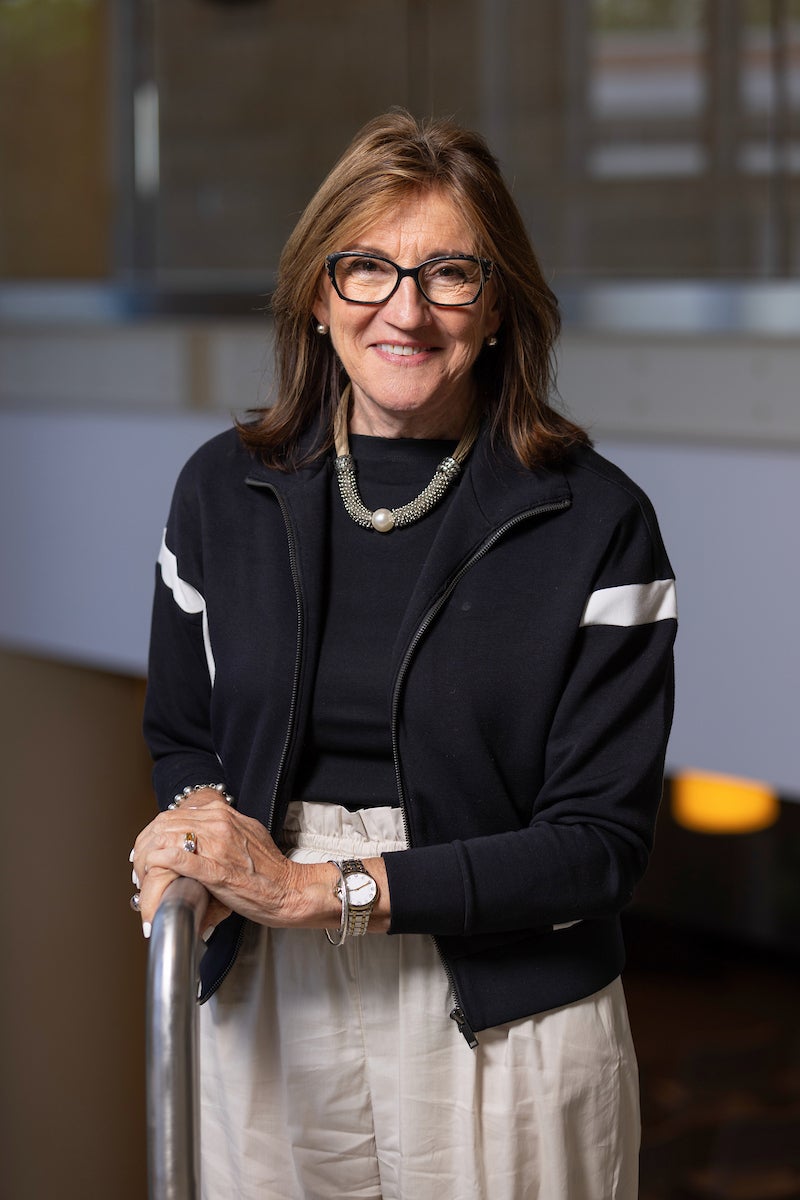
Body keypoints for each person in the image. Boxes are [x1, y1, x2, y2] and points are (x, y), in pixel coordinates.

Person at [131, 109, 677, 1200]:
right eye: (367, 267)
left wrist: (318, 890)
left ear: (500, 301)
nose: (406, 311)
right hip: (266, 991)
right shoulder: (218, 492)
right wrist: (199, 833)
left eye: (450, 276)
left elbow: (596, 846)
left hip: (506, 1008)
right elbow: (186, 735)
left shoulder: (595, 522)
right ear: (318, 292)